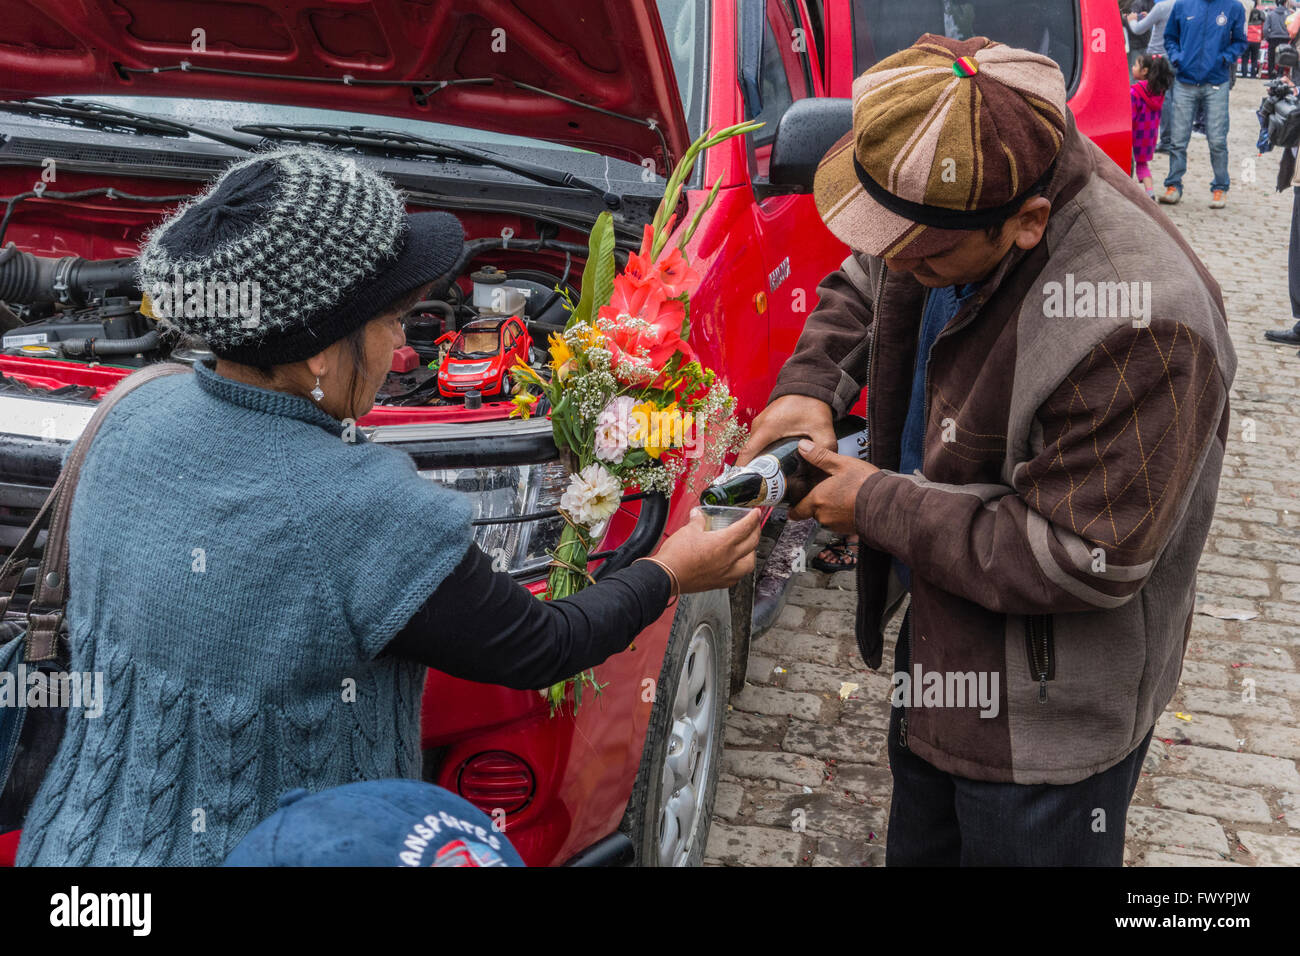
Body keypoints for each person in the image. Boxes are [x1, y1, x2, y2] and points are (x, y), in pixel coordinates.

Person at [14, 147, 761, 866]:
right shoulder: (364, 506)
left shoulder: (127, 407)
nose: (405, 343)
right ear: (318, 355)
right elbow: (543, 646)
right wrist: (671, 571)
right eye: (392, 320)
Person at [740, 33, 1236, 866]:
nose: (900, 260)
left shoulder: (1145, 322)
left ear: (1028, 222)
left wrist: (872, 503)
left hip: (1046, 727)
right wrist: (809, 382)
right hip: (945, 650)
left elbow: (1081, 554)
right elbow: (874, 271)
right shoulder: (960, 184)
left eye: (925, 255)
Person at [1160, 0, 1249, 208]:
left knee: (1217, 140)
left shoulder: (1233, 7)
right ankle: (1173, 185)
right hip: (1185, 81)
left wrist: (1224, 59)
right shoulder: (1182, 5)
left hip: (1216, 81)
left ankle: (1220, 187)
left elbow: (1240, 41)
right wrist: (1177, 57)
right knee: (1178, 139)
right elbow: (1170, 37)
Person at [1128, 0, 1179, 150]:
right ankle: (1173, 139)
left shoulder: (1162, 7)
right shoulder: (1186, 6)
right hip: (1177, 57)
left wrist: (1132, 20)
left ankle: (1165, 140)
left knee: (1161, 100)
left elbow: (1138, 29)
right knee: (1176, 98)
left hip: (1158, 57)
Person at [1133, 53, 1176, 198]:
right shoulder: (1158, 92)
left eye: (1135, 65)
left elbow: (1130, 116)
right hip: (1148, 138)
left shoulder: (1135, 92)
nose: (1133, 68)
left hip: (1134, 135)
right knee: (1142, 165)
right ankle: (1149, 192)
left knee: (1127, 164)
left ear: (1144, 71)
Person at [1266, 0, 1291, 76]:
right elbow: (1291, 27)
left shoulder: (1271, 14)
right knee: (1283, 57)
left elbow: (1265, 29)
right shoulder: (1289, 14)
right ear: (1285, 3)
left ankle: (1271, 73)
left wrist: (1268, 37)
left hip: (1273, 38)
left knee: (1271, 57)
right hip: (1285, 39)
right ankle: (1280, 74)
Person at [1246, 1, 1267, 75]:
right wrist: (1261, 38)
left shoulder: (1246, 12)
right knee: (1254, 59)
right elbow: (1264, 28)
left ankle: (1244, 74)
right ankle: (1253, 74)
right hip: (1256, 39)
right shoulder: (1261, 13)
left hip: (1247, 38)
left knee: (1245, 58)